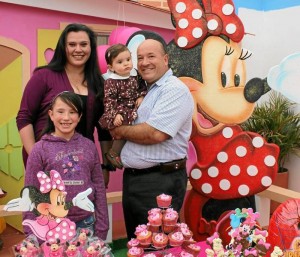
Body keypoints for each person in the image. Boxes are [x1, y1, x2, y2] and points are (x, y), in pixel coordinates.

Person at [110, 38, 194, 240]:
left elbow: (155, 133)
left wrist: (120, 131)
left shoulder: (173, 89)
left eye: (151, 56)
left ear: (166, 59)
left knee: (157, 245)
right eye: (140, 58)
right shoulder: (146, 90)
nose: (144, 62)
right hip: (136, 180)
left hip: (159, 182)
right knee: (139, 242)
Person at [16, 23, 114, 187]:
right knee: (48, 211)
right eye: (72, 44)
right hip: (47, 165)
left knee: (81, 210)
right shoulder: (43, 76)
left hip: (82, 164)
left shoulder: (99, 84)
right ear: (63, 47)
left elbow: (103, 130)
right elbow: (24, 118)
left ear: (91, 48)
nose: (78, 49)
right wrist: (35, 157)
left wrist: (104, 166)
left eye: (83, 44)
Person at [23, 91, 109, 240]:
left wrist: (102, 227)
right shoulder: (39, 149)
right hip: (51, 228)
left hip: (86, 225)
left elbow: (99, 188)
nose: (66, 118)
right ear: (51, 114)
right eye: (60, 111)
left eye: (72, 112)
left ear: (80, 116)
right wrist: (31, 234)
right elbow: (30, 191)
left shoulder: (89, 146)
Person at [99, 44, 147, 169]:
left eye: (128, 59)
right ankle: (113, 152)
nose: (126, 64)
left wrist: (141, 96)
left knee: (137, 128)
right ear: (111, 67)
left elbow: (142, 86)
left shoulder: (135, 74)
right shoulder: (111, 81)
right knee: (124, 129)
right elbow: (109, 100)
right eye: (120, 62)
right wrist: (115, 114)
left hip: (133, 107)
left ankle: (130, 154)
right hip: (119, 110)